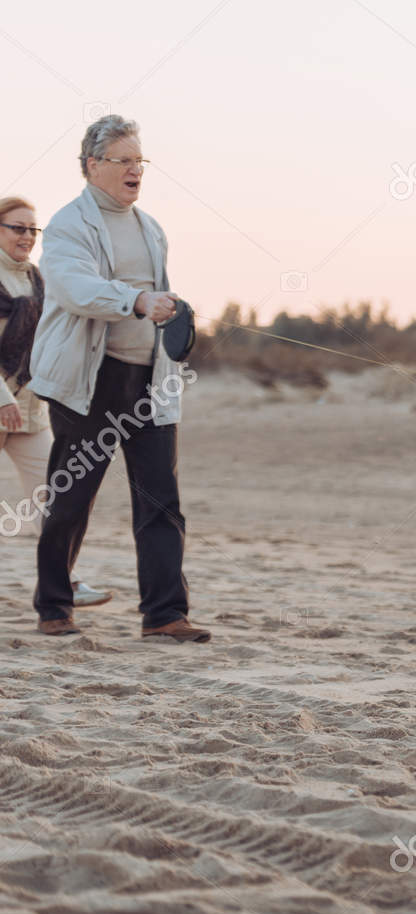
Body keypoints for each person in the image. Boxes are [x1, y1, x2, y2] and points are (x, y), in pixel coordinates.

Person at [27, 115, 207, 640]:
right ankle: (54, 606)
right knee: (72, 496)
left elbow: (156, 298)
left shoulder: (152, 228)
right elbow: (76, 288)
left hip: (150, 381)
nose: (135, 171)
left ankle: (165, 614)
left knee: (160, 499)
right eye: (123, 161)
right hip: (88, 381)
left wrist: (170, 308)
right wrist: (135, 299)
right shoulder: (67, 225)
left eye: (139, 161)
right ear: (92, 166)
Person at [0, 195, 112, 607]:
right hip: (2, 404)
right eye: (17, 227)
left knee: (52, 495)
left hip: (30, 409)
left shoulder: (39, 280)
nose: (27, 236)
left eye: (33, 229)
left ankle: (66, 581)